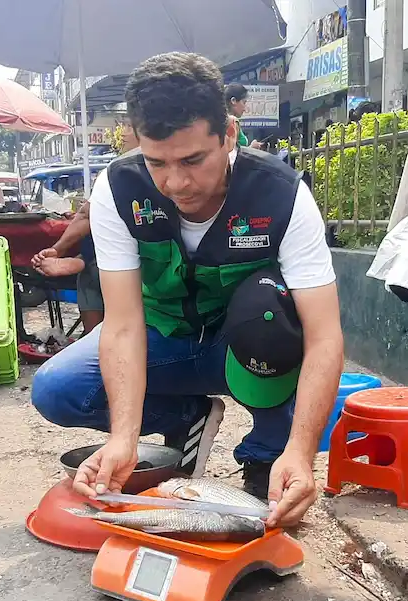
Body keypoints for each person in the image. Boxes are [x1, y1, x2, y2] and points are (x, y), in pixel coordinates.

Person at [30, 52, 344, 528]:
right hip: (162, 337)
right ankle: (186, 414)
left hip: (242, 347)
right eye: (156, 162)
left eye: (193, 160)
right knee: (57, 389)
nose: (176, 183)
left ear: (229, 134)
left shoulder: (281, 194)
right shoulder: (119, 190)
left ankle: (269, 455)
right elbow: (123, 324)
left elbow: (324, 336)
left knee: (275, 318)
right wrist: (123, 438)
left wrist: (302, 454)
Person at [30, 124, 139, 334]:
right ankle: (84, 260)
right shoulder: (114, 172)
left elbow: (87, 214)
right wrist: (58, 249)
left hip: (130, 263)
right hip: (108, 260)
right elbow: (88, 214)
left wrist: (60, 250)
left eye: (128, 126)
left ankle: (83, 261)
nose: (122, 133)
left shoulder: (121, 171)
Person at [225, 83, 263, 150]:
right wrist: (251, 148)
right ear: (233, 101)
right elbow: (231, 153)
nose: (245, 109)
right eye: (244, 102)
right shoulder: (231, 122)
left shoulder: (223, 120)